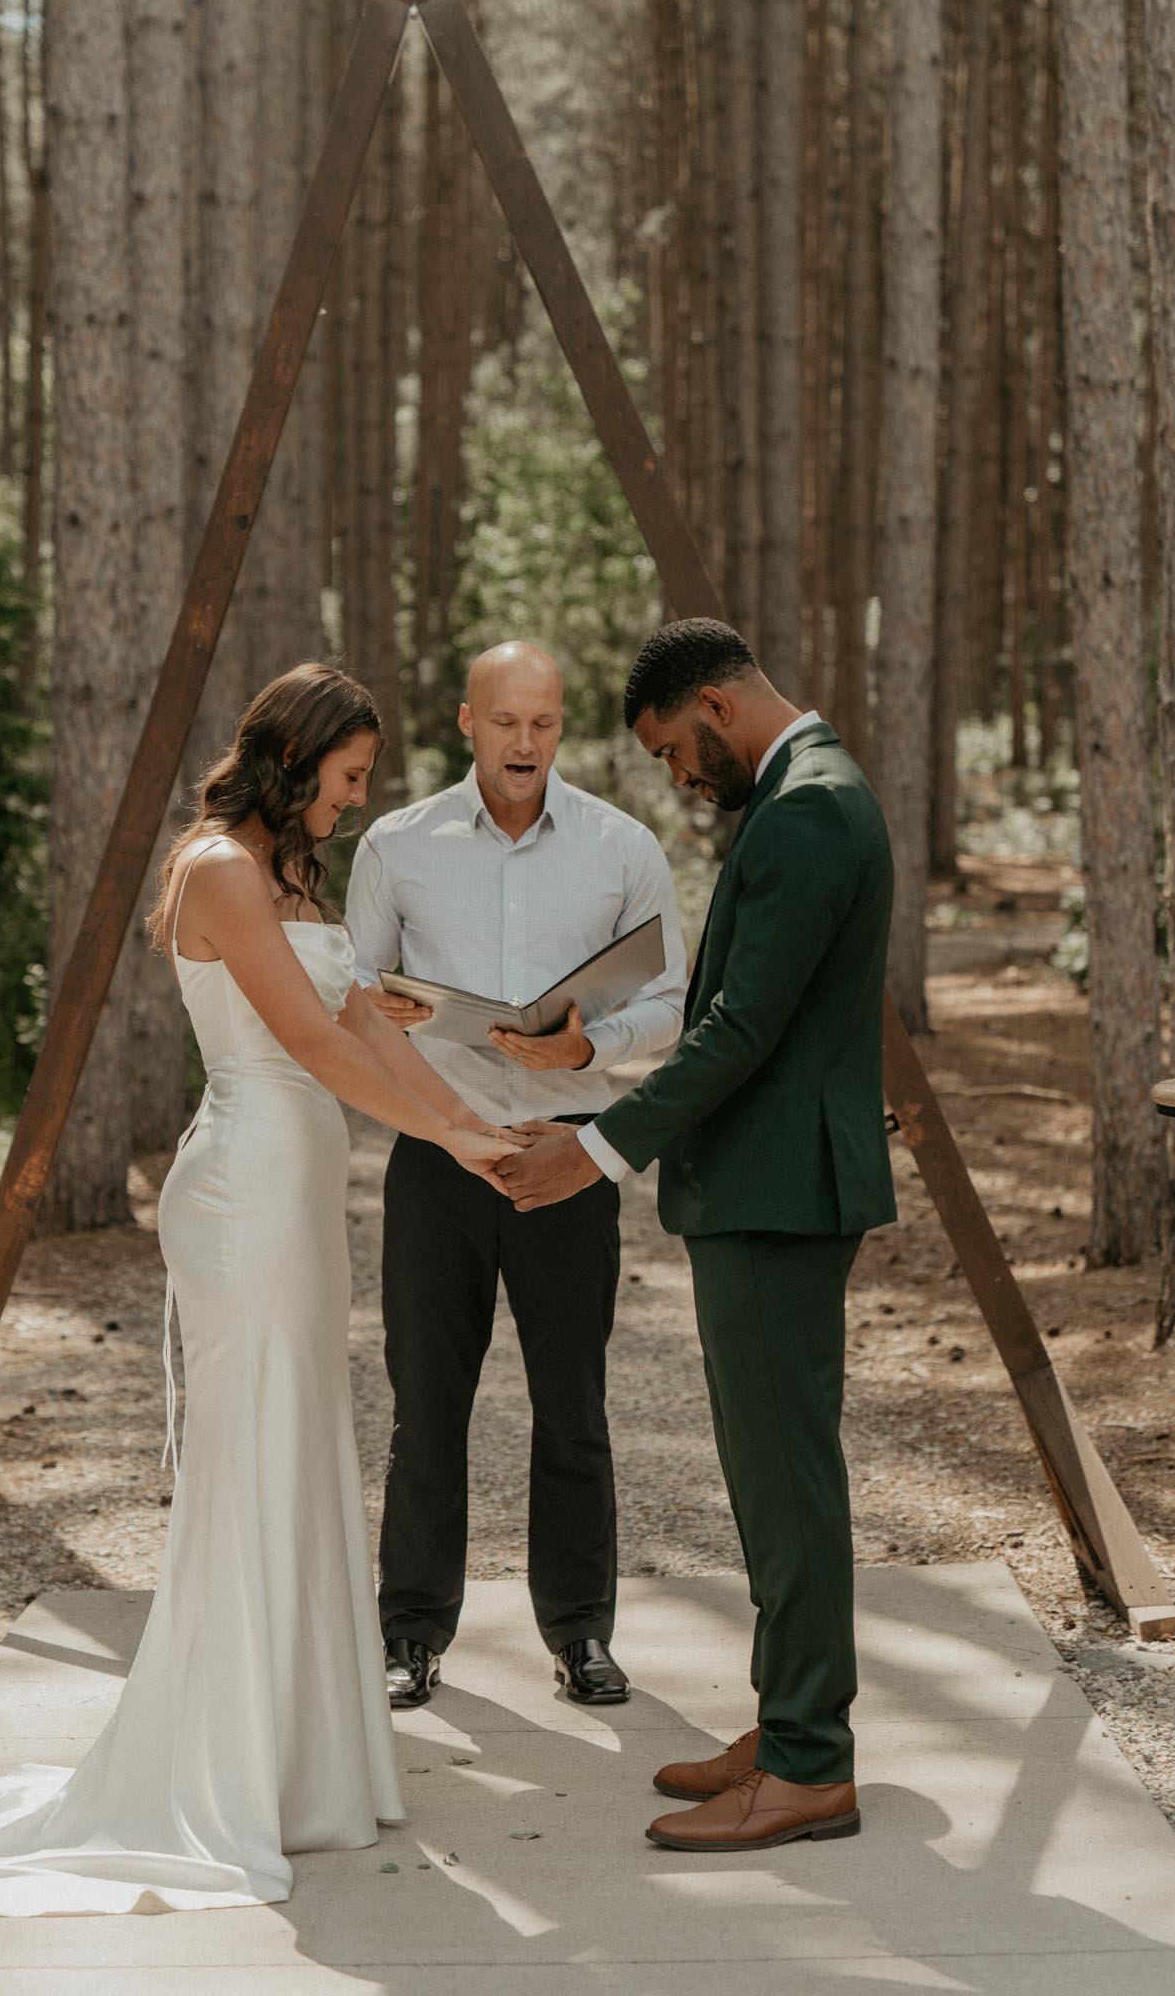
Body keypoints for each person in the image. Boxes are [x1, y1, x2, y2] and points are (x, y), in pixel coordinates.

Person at [0, 663, 521, 1916]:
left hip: (302, 1182)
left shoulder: (290, 875)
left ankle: (304, 1764)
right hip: (245, 1186)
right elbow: (313, 1044)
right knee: (253, 1449)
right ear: (297, 754)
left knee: (306, 1439)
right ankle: (224, 1767)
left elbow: (371, 1030)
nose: (358, 799)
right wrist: (449, 1144)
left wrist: (480, 1122)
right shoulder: (215, 862)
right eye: (351, 775)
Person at [499, 618, 896, 1853]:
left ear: (717, 704)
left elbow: (740, 1033)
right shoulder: (801, 795)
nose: (679, 776)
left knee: (788, 1484)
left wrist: (596, 1145)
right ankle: (787, 1725)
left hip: (782, 1198)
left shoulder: (810, 810)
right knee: (769, 1476)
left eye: (677, 749)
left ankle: (813, 1764)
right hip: (764, 1191)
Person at [346, 641, 687, 1710]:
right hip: (441, 1156)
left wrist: (586, 1050)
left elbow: (670, 1002)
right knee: (425, 1406)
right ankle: (410, 1633)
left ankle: (582, 1632)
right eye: (506, 722)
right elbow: (352, 996)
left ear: (561, 724)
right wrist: (402, 1031)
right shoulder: (397, 845)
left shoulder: (623, 847)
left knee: (574, 1407)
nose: (526, 742)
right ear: (467, 722)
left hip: (567, 1158)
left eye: (543, 722)